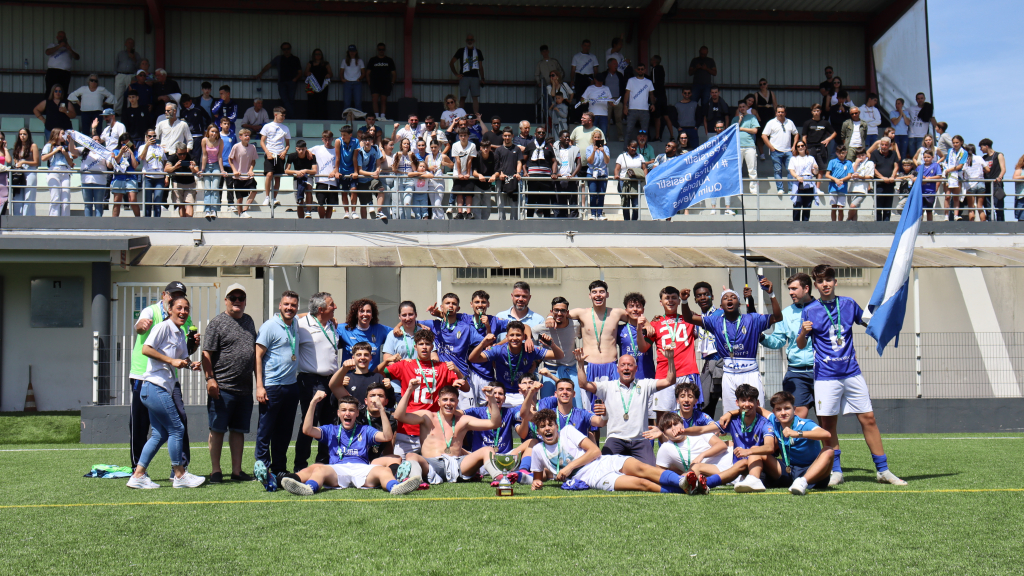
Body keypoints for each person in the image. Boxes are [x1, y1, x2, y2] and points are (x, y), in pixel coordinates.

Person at [796, 264, 906, 486]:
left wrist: (888, 320)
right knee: (828, 425)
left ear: (835, 282)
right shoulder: (809, 310)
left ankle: (883, 470)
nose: (825, 284)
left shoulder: (848, 304)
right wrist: (803, 333)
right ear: (814, 286)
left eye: (828, 280)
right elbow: (800, 345)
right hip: (826, 376)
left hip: (852, 373)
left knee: (869, 419)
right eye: (820, 281)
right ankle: (836, 471)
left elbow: (870, 321)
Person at [126, 294, 205, 490]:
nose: (183, 312)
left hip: (160, 388)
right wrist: (171, 361)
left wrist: (190, 364)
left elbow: (181, 359)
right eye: (179, 308)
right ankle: (179, 475)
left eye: (186, 309)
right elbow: (146, 349)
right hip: (153, 386)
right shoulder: (162, 327)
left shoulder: (179, 333)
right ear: (169, 310)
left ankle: (138, 475)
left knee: (159, 434)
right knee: (177, 429)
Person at [281, 391, 420, 496]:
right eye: (344, 410)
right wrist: (313, 403)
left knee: (384, 470)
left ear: (357, 414)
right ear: (339, 413)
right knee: (319, 469)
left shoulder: (365, 430)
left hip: (362, 468)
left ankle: (395, 487)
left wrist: (382, 409)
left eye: (351, 410)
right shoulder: (331, 429)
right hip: (337, 469)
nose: (347, 413)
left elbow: (387, 436)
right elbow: (307, 430)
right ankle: (308, 488)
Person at [529, 405, 690, 493]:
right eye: (542, 427)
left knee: (644, 469)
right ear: (538, 431)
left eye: (550, 425)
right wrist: (536, 482)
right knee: (642, 484)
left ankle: (683, 482)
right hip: (593, 479)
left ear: (557, 426)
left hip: (603, 461)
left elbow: (595, 452)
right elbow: (538, 477)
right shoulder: (537, 450)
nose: (547, 429)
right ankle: (683, 491)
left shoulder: (567, 431)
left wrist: (570, 466)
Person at [679, 278, 782, 414]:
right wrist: (684, 301)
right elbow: (689, 319)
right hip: (728, 373)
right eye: (725, 298)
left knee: (755, 411)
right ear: (721, 305)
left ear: (739, 303)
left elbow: (777, 317)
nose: (729, 299)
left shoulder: (752, 319)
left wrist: (771, 294)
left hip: (749, 371)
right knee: (731, 413)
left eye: (733, 297)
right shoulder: (715, 320)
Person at [395, 380, 503, 484]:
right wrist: (409, 390)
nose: (448, 403)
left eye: (452, 400)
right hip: (431, 464)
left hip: (457, 463)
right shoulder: (428, 417)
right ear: (438, 402)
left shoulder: (463, 420)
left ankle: (500, 478)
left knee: (488, 450)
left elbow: (495, 423)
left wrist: (491, 398)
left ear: (457, 402)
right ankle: (416, 480)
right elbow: (398, 416)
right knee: (411, 456)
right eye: (445, 399)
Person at [201, 283, 256, 483]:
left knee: (238, 430)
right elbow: (206, 353)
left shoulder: (249, 321)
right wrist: (210, 379)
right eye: (233, 298)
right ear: (226, 300)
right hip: (222, 388)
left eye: (241, 298)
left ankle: (236, 470)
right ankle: (216, 471)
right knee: (217, 430)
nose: (237, 301)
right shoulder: (217, 323)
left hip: (244, 389)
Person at [381, 329, 467, 456]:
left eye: (427, 344)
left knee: (436, 469)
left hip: (433, 430)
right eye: (421, 344)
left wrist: (458, 374)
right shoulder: (405, 364)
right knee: (401, 468)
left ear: (432, 347)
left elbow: (466, 388)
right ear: (415, 347)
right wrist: (387, 361)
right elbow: (378, 373)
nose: (424, 347)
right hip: (407, 429)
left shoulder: (442, 366)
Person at [253, 291, 302, 490]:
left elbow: (308, 315)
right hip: (271, 386)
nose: (289, 308)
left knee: (284, 431)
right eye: (286, 304)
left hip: (291, 386)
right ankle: (263, 469)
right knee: (266, 430)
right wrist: (259, 386)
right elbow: (257, 356)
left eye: (293, 305)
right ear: (279, 306)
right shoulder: (269, 326)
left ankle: (280, 468)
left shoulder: (296, 323)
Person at [294, 292, 340, 471]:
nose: (335, 307)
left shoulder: (331, 324)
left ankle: (323, 463)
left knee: (329, 424)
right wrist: (305, 314)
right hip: (311, 381)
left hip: (331, 381)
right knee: (309, 423)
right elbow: (282, 317)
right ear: (320, 309)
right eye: (332, 304)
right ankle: (300, 466)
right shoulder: (301, 324)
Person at [759, 273, 816, 419]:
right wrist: (761, 337)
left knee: (825, 418)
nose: (790, 292)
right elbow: (777, 341)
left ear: (807, 288)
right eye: (789, 289)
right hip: (796, 373)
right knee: (797, 416)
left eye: (794, 289)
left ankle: (827, 443)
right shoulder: (785, 313)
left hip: (822, 371)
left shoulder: (821, 309)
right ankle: (794, 442)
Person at [469, 321, 561, 407]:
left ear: (523, 337)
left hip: (524, 393)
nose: (515, 338)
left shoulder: (530, 349)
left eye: (518, 335)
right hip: (503, 394)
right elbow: (472, 358)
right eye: (512, 335)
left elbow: (559, 356)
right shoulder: (499, 350)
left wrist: (552, 344)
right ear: (507, 337)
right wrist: (482, 344)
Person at [648, 286, 701, 415]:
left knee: (687, 414)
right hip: (663, 374)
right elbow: (643, 347)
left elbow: (704, 327)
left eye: (674, 298)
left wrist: (688, 308)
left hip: (686, 372)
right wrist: (644, 324)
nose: (670, 301)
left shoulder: (690, 319)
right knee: (662, 415)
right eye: (667, 298)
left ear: (678, 301)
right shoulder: (655, 323)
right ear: (661, 302)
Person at [336, 298, 392, 371]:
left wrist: (398, 326)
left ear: (372, 314)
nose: (365, 314)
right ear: (356, 314)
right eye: (362, 311)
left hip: (372, 378)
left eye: (368, 311)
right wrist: (331, 319)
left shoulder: (380, 329)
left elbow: (401, 331)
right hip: (349, 379)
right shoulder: (344, 329)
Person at [255, 42, 303, 117]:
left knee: (291, 100)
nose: (286, 51)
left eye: (287, 49)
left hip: (292, 83)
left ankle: (291, 118)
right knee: (285, 100)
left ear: (290, 49)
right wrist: (261, 73)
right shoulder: (279, 58)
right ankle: (290, 117)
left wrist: (295, 79)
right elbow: (269, 65)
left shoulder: (295, 59)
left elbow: (300, 72)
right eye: (284, 49)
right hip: (282, 83)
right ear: (282, 50)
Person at [762, 106, 799, 196]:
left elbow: (796, 133)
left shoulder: (790, 122)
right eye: (778, 112)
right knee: (777, 171)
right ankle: (780, 189)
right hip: (776, 151)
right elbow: (764, 135)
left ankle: (791, 189)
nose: (780, 114)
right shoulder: (771, 123)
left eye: (782, 112)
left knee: (791, 170)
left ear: (785, 113)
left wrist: (794, 146)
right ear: (776, 113)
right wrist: (771, 147)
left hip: (788, 150)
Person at [259, 107, 291, 207]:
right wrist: (267, 152)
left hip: (280, 155)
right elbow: (262, 141)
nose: (283, 117)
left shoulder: (285, 128)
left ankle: (274, 197)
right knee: (269, 174)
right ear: (276, 115)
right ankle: (267, 197)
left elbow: (288, 144)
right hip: (270, 154)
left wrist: (285, 152)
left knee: (277, 178)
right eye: (282, 115)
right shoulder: (267, 126)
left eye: (284, 116)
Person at [40, 128, 73, 216]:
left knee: (66, 199)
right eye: (62, 133)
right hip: (54, 170)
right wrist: (55, 151)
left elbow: (71, 163)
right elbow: (43, 158)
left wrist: (65, 153)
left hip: (65, 171)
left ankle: (65, 221)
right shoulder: (49, 146)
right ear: (56, 135)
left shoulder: (66, 147)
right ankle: (53, 220)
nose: (63, 135)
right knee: (55, 197)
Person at [450, 34, 485, 118]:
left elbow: (480, 66)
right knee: (463, 97)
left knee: (475, 97)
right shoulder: (461, 51)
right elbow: (451, 63)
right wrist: (456, 74)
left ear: (474, 41)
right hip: (464, 76)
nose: (470, 41)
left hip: (475, 76)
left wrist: (482, 78)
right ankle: (460, 117)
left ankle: (477, 117)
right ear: (466, 41)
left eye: (471, 40)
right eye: (468, 40)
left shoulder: (478, 51)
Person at [227, 128, 258, 217]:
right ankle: (240, 214)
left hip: (248, 176)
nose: (247, 137)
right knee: (239, 197)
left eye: (248, 135)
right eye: (245, 135)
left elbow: (253, 161)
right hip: (238, 176)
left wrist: (251, 170)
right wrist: (234, 170)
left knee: (254, 191)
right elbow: (230, 159)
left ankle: (245, 210)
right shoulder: (236, 146)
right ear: (240, 137)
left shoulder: (253, 147)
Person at [613, 139, 646, 221]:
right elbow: (617, 168)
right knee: (626, 204)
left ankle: (634, 222)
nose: (634, 149)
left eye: (635, 147)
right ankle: (626, 222)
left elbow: (644, 168)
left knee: (636, 205)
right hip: (624, 182)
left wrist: (645, 176)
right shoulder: (622, 156)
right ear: (628, 147)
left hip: (636, 183)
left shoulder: (640, 157)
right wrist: (616, 175)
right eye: (632, 147)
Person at [165, 142, 200, 218]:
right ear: (176, 152)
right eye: (180, 154)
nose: (183, 156)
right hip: (177, 183)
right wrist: (175, 167)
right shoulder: (172, 157)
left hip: (190, 183)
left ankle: (188, 223)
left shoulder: (191, 157)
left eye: (184, 153)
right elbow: (166, 169)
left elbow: (197, 170)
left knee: (190, 203)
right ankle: (184, 223)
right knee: (180, 205)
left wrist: (192, 169)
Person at [493, 128, 522, 220]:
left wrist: (518, 173)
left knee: (514, 204)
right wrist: (500, 174)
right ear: (502, 136)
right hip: (501, 180)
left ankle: (514, 224)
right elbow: (497, 164)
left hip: (513, 180)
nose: (507, 137)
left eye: (509, 136)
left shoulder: (517, 149)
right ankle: (501, 223)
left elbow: (519, 162)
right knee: (501, 203)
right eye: (505, 135)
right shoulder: (498, 150)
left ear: (512, 136)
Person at [137, 129, 167, 217]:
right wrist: (147, 145)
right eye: (150, 136)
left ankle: (157, 222)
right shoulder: (142, 147)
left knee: (158, 202)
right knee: (148, 202)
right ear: (146, 137)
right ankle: (148, 222)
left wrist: (166, 176)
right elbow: (142, 158)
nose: (152, 138)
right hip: (148, 177)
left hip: (160, 177)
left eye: (154, 136)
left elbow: (164, 161)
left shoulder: (160, 148)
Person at [109, 133, 139, 217]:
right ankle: (114, 222)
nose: (125, 145)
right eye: (123, 143)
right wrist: (121, 152)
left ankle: (138, 220)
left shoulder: (134, 152)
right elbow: (116, 162)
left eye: (127, 143)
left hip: (131, 178)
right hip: (119, 177)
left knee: (132, 200)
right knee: (117, 201)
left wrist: (131, 153)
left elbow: (135, 166)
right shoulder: (116, 151)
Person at [11, 129, 40, 216]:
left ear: (28, 135)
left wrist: (24, 162)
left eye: (24, 134)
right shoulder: (17, 146)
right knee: (18, 196)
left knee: (29, 196)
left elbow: (36, 162)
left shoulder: (33, 145)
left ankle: (28, 218)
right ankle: (17, 218)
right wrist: (17, 163)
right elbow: (15, 158)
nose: (22, 136)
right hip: (19, 172)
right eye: (20, 134)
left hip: (30, 171)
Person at [623, 62, 655, 143]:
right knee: (628, 131)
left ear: (645, 70)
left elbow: (651, 94)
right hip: (632, 109)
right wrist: (625, 106)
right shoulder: (631, 80)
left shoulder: (649, 82)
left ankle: (644, 151)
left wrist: (653, 104)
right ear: (636, 70)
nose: (640, 71)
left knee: (644, 132)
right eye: (639, 69)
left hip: (645, 110)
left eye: (642, 69)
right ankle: (625, 151)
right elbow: (627, 93)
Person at [76, 133, 107, 217]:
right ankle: (87, 225)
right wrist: (71, 139)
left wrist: (112, 157)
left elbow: (110, 165)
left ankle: (98, 226)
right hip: (86, 181)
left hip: (100, 182)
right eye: (94, 140)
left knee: (98, 205)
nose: (96, 141)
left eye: (98, 140)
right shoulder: (84, 149)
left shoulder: (104, 151)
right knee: (88, 205)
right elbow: (72, 151)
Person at [570, 40, 600, 124]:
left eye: (588, 46)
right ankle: (578, 118)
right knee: (580, 98)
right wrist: (572, 79)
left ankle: (588, 118)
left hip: (589, 78)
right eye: (585, 45)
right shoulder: (577, 56)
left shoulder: (593, 57)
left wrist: (595, 80)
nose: (587, 47)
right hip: (579, 77)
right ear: (582, 46)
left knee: (589, 98)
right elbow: (573, 69)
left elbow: (595, 69)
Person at [450, 128, 478, 218]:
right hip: (457, 171)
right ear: (459, 136)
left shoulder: (472, 145)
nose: (463, 137)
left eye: (465, 135)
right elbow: (457, 160)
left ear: (468, 136)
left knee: (469, 193)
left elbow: (470, 160)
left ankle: (469, 213)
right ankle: (460, 213)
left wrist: (467, 173)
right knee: (459, 193)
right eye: (461, 136)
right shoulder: (455, 145)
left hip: (468, 172)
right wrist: (459, 174)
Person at [735, 99, 760, 198]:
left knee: (752, 169)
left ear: (746, 107)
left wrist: (742, 128)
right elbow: (733, 130)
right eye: (740, 107)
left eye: (743, 107)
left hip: (750, 146)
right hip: (738, 147)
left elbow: (755, 130)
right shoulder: (735, 119)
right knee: (737, 170)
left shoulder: (752, 117)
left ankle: (753, 190)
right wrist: (739, 121)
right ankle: (737, 189)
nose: (742, 108)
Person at [788, 141, 818, 222]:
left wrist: (816, 169)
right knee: (797, 205)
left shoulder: (811, 158)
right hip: (798, 184)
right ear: (796, 148)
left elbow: (815, 172)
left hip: (809, 183)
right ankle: (795, 225)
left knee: (807, 206)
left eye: (802, 145)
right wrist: (797, 177)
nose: (800, 147)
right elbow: (791, 171)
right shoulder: (793, 159)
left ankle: (805, 225)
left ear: (805, 147)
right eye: (798, 146)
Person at [871, 137, 899, 221]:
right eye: (882, 144)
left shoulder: (893, 154)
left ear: (890, 145)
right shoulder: (874, 153)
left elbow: (896, 166)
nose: (883, 146)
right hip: (879, 184)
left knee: (888, 207)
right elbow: (873, 168)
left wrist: (892, 176)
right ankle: (878, 227)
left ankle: (887, 226)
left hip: (890, 183)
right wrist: (882, 178)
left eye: (886, 145)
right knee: (878, 207)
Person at [802, 103, 835, 175]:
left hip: (822, 147)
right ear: (811, 112)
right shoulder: (807, 123)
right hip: (810, 147)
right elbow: (804, 136)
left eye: (817, 111)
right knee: (810, 166)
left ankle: (817, 186)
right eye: (814, 111)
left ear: (820, 111)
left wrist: (828, 139)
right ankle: (811, 184)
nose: (816, 113)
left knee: (821, 168)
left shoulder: (825, 123)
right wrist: (805, 147)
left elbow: (834, 133)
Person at [44, 31, 79, 98]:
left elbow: (77, 57)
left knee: (63, 91)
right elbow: (47, 52)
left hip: (65, 73)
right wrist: (60, 46)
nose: (62, 38)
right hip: (53, 72)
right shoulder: (53, 45)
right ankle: (49, 106)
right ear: (57, 38)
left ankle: (62, 106)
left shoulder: (69, 48)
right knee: (50, 90)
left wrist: (69, 49)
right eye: (60, 36)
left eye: (63, 37)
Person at [367, 43, 397, 120]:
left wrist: (392, 83)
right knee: (375, 100)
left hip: (386, 83)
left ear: (385, 50)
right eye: (380, 49)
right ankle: (376, 117)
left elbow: (393, 73)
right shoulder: (373, 60)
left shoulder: (389, 60)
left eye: (382, 49)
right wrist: (369, 82)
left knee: (384, 100)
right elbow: (368, 73)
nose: (381, 51)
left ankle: (383, 117)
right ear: (377, 50)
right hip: (374, 83)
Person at [584, 129, 610, 220]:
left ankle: (600, 214)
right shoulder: (589, 148)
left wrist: (603, 151)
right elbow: (589, 161)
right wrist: (594, 151)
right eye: (595, 137)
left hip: (602, 173)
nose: (597, 138)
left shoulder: (605, 148)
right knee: (593, 193)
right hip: (592, 173)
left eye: (598, 137)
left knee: (601, 194)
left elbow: (607, 161)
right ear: (592, 138)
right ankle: (593, 213)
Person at [199, 124, 224, 220]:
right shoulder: (204, 140)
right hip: (207, 166)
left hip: (216, 165)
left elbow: (220, 156)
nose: (214, 133)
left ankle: (214, 209)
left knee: (214, 188)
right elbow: (204, 155)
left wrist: (222, 170)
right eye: (212, 131)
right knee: (207, 188)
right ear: (208, 132)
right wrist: (202, 169)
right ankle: (207, 210)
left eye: (216, 132)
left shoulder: (220, 141)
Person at [942, 135, 967, 221]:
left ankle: (956, 215)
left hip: (957, 176)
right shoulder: (950, 151)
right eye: (954, 143)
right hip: (948, 176)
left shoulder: (964, 152)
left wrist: (949, 170)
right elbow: (946, 161)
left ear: (961, 143)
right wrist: (946, 170)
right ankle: (946, 215)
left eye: (957, 142)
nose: (955, 144)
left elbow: (960, 165)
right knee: (947, 196)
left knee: (956, 197)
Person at [980, 139, 1006, 221]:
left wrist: (1000, 177)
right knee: (988, 207)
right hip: (986, 185)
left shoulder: (998, 155)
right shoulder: (983, 158)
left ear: (986, 146)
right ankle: (991, 224)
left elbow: (1003, 169)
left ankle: (1001, 225)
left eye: (981, 147)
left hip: (996, 185)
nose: (981, 149)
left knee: (999, 207)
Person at [301, 48, 332, 120]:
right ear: (313, 55)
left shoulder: (326, 64)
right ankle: (311, 118)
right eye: (316, 54)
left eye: (319, 54)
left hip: (322, 86)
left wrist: (328, 75)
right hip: (312, 85)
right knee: (312, 102)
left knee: (322, 102)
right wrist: (307, 73)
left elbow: (331, 73)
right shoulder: (310, 63)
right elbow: (305, 73)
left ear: (321, 55)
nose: (318, 56)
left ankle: (322, 118)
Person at [825, 145, 853, 221]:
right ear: (836, 153)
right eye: (839, 153)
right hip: (833, 188)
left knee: (841, 208)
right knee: (833, 207)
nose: (841, 155)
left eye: (843, 153)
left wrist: (841, 180)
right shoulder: (832, 161)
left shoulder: (849, 163)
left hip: (843, 188)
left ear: (846, 153)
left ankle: (840, 224)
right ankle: (834, 223)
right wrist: (836, 180)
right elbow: (827, 174)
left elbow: (849, 175)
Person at [846, 148, 874, 222]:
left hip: (862, 190)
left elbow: (870, 176)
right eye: (859, 155)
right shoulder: (853, 164)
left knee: (853, 206)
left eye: (863, 155)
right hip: (851, 189)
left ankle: (847, 220)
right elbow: (851, 174)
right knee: (854, 210)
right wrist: (856, 164)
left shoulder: (870, 163)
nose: (861, 157)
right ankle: (853, 226)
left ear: (865, 155)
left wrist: (859, 176)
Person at [961, 143, 987, 222]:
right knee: (980, 206)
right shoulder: (979, 158)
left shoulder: (964, 160)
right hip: (980, 182)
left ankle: (972, 226)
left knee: (971, 207)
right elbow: (988, 169)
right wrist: (981, 172)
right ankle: (983, 224)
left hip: (970, 184)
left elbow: (962, 173)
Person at [687, 46, 716, 110]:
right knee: (693, 102)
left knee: (705, 103)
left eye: (705, 54)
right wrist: (696, 68)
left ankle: (704, 119)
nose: (703, 55)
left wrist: (706, 69)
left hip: (706, 85)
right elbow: (690, 73)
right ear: (699, 52)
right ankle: (692, 118)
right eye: (702, 54)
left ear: (707, 53)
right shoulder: (695, 60)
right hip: (696, 85)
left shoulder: (710, 61)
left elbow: (714, 73)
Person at [917, 149, 942, 221]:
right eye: (925, 157)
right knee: (920, 211)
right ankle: (920, 227)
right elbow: (916, 177)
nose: (926, 159)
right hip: (921, 192)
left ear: (932, 157)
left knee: (929, 211)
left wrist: (929, 178)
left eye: (928, 157)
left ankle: (929, 227)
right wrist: (922, 179)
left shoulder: (936, 165)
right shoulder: (919, 167)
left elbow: (939, 176)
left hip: (930, 191)